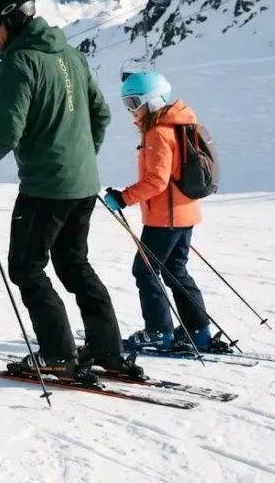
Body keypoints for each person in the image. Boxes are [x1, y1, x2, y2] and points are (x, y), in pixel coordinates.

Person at [0, 0, 140, 381]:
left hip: (45, 188)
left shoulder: (18, 63)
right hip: (83, 185)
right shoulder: (73, 55)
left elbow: (8, 130)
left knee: (26, 267)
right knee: (74, 265)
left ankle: (57, 354)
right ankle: (107, 349)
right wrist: (81, 158)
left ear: (12, 19)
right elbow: (101, 115)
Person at [103, 72, 220, 354]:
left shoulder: (158, 132)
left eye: (134, 102)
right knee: (176, 270)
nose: (131, 110)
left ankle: (158, 332)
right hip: (184, 213)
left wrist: (123, 198)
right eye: (127, 103)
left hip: (165, 217)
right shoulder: (180, 125)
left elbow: (156, 181)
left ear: (153, 100)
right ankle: (198, 331)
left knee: (145, 271)